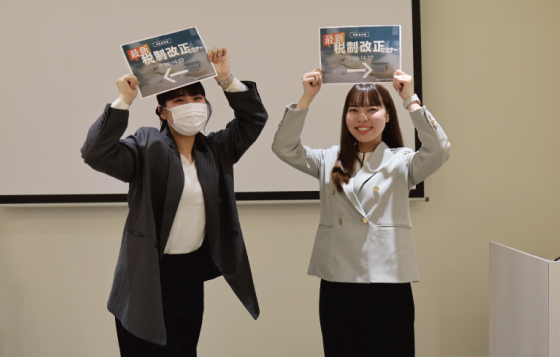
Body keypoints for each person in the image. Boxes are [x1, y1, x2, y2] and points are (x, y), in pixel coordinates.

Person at [81, 47, 268, 356]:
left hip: (189, 276)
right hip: (146, 277)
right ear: (163, 112)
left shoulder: (216, 150)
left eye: (197, 99)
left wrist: (225, 79)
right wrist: (124, 101)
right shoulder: (148, 145)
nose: (191, 106)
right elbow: (95, 152)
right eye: (179, 101)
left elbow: (254, 119)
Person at [271, 69, 450, 357]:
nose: (362, 118)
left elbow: (439, 150)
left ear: (388, 115)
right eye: (353, 110)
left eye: (372, 109)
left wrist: (411, 100)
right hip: (338, 280)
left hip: (388, 280)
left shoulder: (402, 161)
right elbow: (283, 147)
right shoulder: (328, 159)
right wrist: (307, 97)